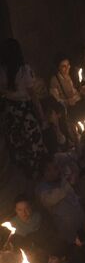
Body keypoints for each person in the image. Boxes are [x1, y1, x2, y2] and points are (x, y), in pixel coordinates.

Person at [1, 38, 47, 176]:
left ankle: (26, 173)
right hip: (24, 111)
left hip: (10, 111)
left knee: (18, 143)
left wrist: (9, 94)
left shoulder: (2, 71)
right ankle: (36, 173)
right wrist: (42, 116)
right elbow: (33, 95)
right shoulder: (24, 70)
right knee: (32, 142)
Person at [35, 156, 85, 243]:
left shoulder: (62, 181)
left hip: (80, 219)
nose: (57, 171)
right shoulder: (42, 188)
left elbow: (72, 195)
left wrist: (79, 200)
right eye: (54, 169)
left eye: (56, 168)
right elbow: (49, 200)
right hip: (68, 228)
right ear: (46, 172)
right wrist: (66, 186)